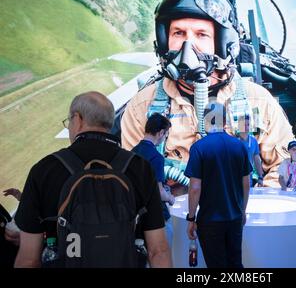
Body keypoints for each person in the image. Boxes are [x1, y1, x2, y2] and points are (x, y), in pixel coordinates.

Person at [120, 0, 296, 189]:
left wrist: (252, 208)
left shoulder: (258, 101)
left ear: (223, 43)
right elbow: (133, 180)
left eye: (201, 34)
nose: (187, 45)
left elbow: (287, 169)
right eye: (178, 33)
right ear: (165, 41)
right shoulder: (141, 107)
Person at [13, 91, 172, 268]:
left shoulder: (44, 170)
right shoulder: (141, 168)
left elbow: (29, 259)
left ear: (77, 119)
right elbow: (158, 251)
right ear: (110, 123)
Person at [184, 102, 252, 268]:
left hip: (210, 221)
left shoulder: (199, 148)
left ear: (205, 120)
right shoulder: (239, 146)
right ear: (224, 120)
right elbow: (246, 183)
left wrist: (191, 218)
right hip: (235, 218)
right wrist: (242, 210)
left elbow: (194, 188)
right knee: (235, 264)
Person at [132, 113, 176, 247]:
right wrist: (170, 198)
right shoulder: (156, 157)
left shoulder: (132, 152)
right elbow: (159, 192)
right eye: (166, 134)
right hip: (157, 217)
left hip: (137, 218)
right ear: (161, 133)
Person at [236, 121, 264, 187]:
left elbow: (257, 159)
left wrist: (260, 176)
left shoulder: (253, 141)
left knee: (248, 195)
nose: (246, 126)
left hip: (248, 177)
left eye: (248, 124)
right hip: (235, 177)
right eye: (244, 124)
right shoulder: (234, 140)